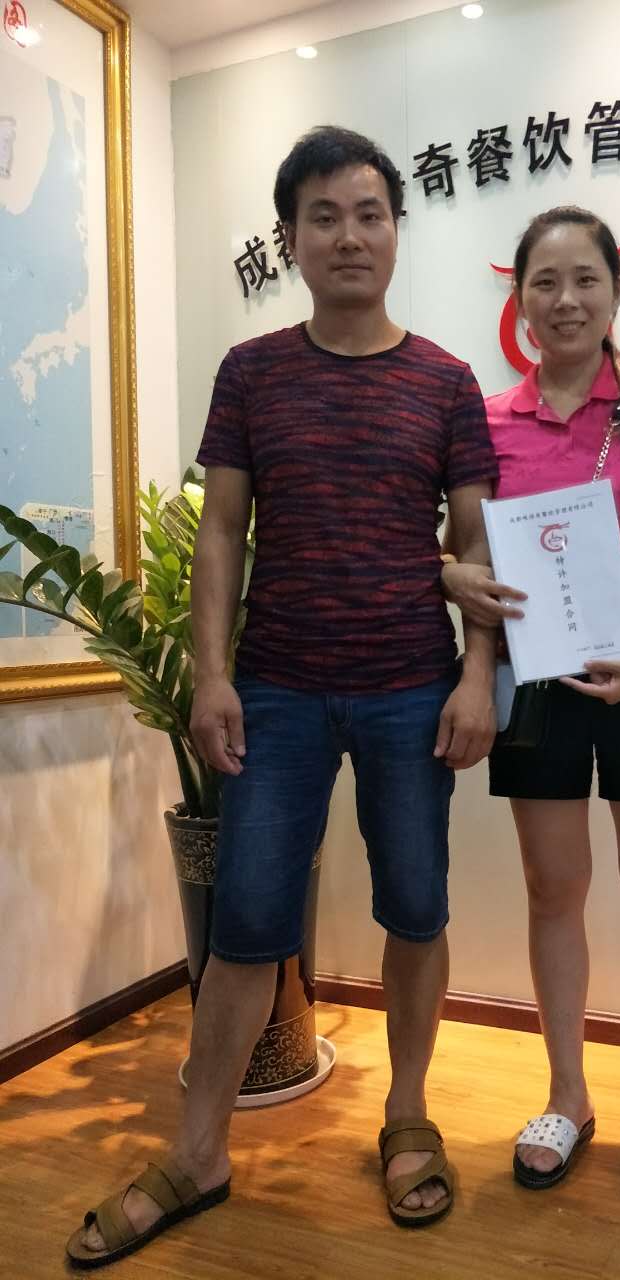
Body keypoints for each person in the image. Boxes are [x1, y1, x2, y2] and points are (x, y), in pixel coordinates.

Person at [66, 126, 499, 1268]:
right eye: (324, 216)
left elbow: (476, 546)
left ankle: (407, 1115)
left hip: (411, 687)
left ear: (397, 230)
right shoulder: (252, 371)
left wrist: (476, 675)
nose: (350, 235)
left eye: (370, 213)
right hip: (278, 691)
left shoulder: (448, 382)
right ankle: (198, 1150)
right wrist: (211, 674)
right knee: (249, 922)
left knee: (417, 908)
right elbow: (220, 531)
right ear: (292, 238)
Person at [442, 206, 620, 1209]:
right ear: (518, 298)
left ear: (615, 290)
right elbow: (464, 552)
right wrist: (447, 577)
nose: (566, 299)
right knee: (553, 890)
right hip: (538, 686)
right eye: (545, 282)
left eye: (585, 279)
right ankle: (567, 1092)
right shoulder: (486, 419)